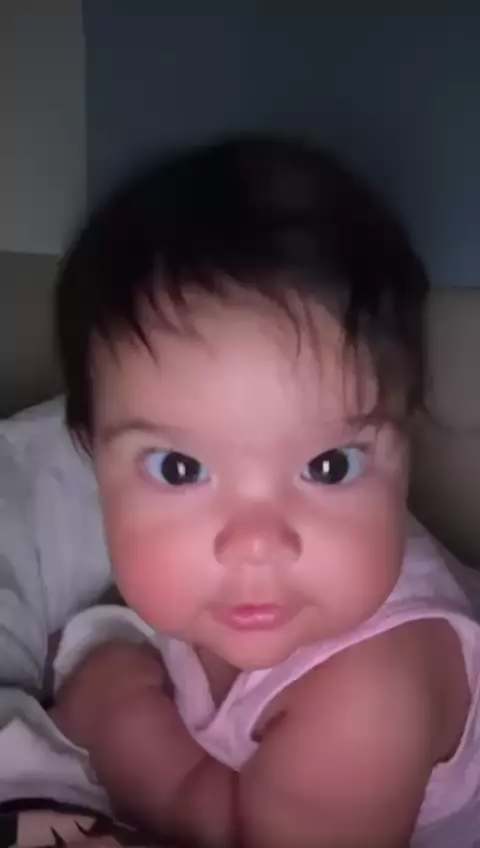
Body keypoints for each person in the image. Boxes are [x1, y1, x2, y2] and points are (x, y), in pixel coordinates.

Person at [1, 134, 480, 847]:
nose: (258, 542)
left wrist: (120, 719)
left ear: (405, 452)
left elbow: (235, 833)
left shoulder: (369, 695)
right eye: (180, 469)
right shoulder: (277, 581)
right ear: (92, 461)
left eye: (328, 467)